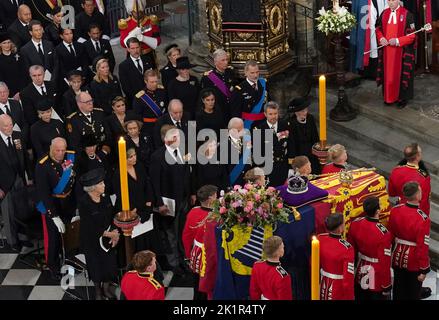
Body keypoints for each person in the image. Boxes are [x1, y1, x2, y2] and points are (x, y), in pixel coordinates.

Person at [149, 125, 194, 274]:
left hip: (184, 200)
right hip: (168, 203)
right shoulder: (157, 156)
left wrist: (191, 193)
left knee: (183, 231)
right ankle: (174, 263)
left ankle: (183, 259)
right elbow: (155, 183)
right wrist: (160, 204)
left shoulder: (183, 151)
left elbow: (188, 173)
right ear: (164, 138)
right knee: (171, 234)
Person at [34, 137, 76, 278]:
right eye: (57, 150)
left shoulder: (69, 157)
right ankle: (53, 267)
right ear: (51, 148)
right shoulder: (42, 165)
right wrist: (54, 215)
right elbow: (44, 194)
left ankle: (69, 260)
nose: (60, 153)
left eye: (63, 150)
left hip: (68, 203)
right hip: (52, 204)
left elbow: (72, 181)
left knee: (69, 233)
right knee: (54, 238)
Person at [78, 168, 119, 300]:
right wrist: (110, 235)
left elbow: (112, 215)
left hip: (108, 237)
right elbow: (89, 226)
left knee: (110, 265)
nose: (104, 185)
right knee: (95, 267)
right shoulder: (84, 202)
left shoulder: (105, 197)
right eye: (101, 184)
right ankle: (98, 292)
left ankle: (106, 289)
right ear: (92, 188)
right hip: (92, 240)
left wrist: (115, 232)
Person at [388, 181, 431, 300]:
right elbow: (422, 246)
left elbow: (390, 235)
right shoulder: (423, 218)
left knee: (398, 290)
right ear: (417, 195)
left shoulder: (395, 210)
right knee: (413, 293)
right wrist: (424, 268)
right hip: (413, 260)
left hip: (397, 255)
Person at [113, 147, 159, 253]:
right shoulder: (118, 174)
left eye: (135, 155)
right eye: (130, 157)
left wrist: (148, 204)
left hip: (145, 209)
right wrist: (135, 210)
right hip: (131, 212)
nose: (134, 158)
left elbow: (147, 185)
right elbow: (121, 195)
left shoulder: (139, 166)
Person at [347, 196, 392, 300]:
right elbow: (384, 262)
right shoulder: (383, 233)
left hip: (360, 269)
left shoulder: (356, 223)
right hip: (376, 275)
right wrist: (386, 285)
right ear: (377, 211)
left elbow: (351, 250)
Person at [376, 0, 416, 108]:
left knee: (400, 74)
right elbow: (378, 29)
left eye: (393, 0)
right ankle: (388, 97)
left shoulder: (407, 15)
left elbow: (412, 36)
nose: (391, 3)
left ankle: (402, 98)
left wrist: (398, 41)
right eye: (389, 0)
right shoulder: (384, 14)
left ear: (398, 0)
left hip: (401, 51)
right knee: (388, 74)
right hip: (387, 52)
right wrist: (381, 38)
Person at [0, 114, 32, 250]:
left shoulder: (18, 135)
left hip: (20, 178)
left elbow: (26, 156)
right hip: (4, 184)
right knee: (9, 214)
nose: (9, 128)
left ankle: (24, 237)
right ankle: (13, 242)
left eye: (11, 124)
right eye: (6, 126)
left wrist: (29, 176)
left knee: (22, 209)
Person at [182, 184, 218, 300]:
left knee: (197, 284)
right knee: (211, 283)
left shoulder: (193, 211)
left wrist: (188, 255)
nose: (217, 198)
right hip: (212, 255)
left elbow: (186, 236)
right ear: (210, 199)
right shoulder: (217, 216)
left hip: (196, 254)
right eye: (215, 196)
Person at [255, 101, 294, 187]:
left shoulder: (285, 125)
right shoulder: (259, 130)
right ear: (265, 114)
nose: (273, 116)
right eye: (270, 114)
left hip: (284, 166)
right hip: (268, 168)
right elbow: (257, 154)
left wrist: (291, 166)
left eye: (275, 113)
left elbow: (291, 146)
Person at [318, 212, 355, 300]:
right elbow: (348, 278)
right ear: (340, 228)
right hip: (338, 289)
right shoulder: (347, 248)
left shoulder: (320, 238)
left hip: (323, 284)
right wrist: (349, 297)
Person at [388, 143, 431, 215]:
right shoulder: (423, 177)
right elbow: (424, 202)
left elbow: (392, 193)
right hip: (415, 213)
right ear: (417, 157)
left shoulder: (396, 170)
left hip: (400, 207)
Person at [118, 0, 160, 69]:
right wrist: (133, 33)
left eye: (140, 11)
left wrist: (144, 38)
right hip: (133, 56)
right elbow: (123, 43)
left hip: (148, 54)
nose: (137, 13)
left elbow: (158, 41)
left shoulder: (150, 21)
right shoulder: (125, 23)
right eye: (135, 12)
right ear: (131, 11)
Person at [250, 235, 293, 300]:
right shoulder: (283, 277)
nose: (284, 248)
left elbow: (254, 291)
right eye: (282, 247)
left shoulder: (257, 266)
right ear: (279, 252)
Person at [201, 49, 237, 122]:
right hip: (217, 111)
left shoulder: (231, 72)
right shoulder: (208, 77)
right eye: (223, 60)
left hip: (231, 110)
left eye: (226, 59)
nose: (226, 62)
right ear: (215, 62)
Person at [288, 97, 320, 174]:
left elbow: (315, 135)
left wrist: (318, 149)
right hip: (300, 156)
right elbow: (291, 144)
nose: (305, 112)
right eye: (303, 111)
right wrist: (292, 162)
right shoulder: (290, 123)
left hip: (312, 153)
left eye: (306, 110)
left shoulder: (310, 118)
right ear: (296, 112)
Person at [230, 60, 268, 127]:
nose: (256, 75)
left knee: (268, 138)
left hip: (264, 124)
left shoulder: (263, 83)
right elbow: (236, 113)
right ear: (246, 73)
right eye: (252, 73)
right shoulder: (239, 90)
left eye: (257, 72)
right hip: (247, 125)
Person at [118, 37, 153, 108]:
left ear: (140, 47)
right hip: (136, 101)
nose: (136, 50)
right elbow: (126, 87)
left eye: (137, 47)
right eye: (132, 48)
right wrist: (139, 98)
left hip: (151, 97)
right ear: (128, 49)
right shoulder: (123, 66)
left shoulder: (147, 60)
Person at [133, 69, 168, 137]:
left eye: (156, 81)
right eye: (152, 82)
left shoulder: (162, 91)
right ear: (145, 81)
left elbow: (166, 107)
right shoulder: (140, 97)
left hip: (162, 125)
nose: (155, 84)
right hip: (148, 128)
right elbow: (138, 117)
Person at [55, 27, 90, 94]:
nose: (70, 36)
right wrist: (72, 79)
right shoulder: (57, 50)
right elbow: (61, 68)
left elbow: (85, 62)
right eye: (66, 34)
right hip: (69, 82)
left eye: (71, 33)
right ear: (61, 36)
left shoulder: (80, 45)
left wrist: (83, 76)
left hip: (83, 79)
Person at [223, 117, 252, 186]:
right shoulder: (223, 146)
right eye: (238, 131)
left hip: (246, 183)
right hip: (232, 183)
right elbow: (223, 170)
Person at [0, 33, 27, 97]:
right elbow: (1, 78)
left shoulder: (18, 56)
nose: (7, 45)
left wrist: (21, 91)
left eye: (8, 42)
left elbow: (24, 73)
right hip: (8, 92)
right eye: (4, 43)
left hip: (22, 89)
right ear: (0, 45)